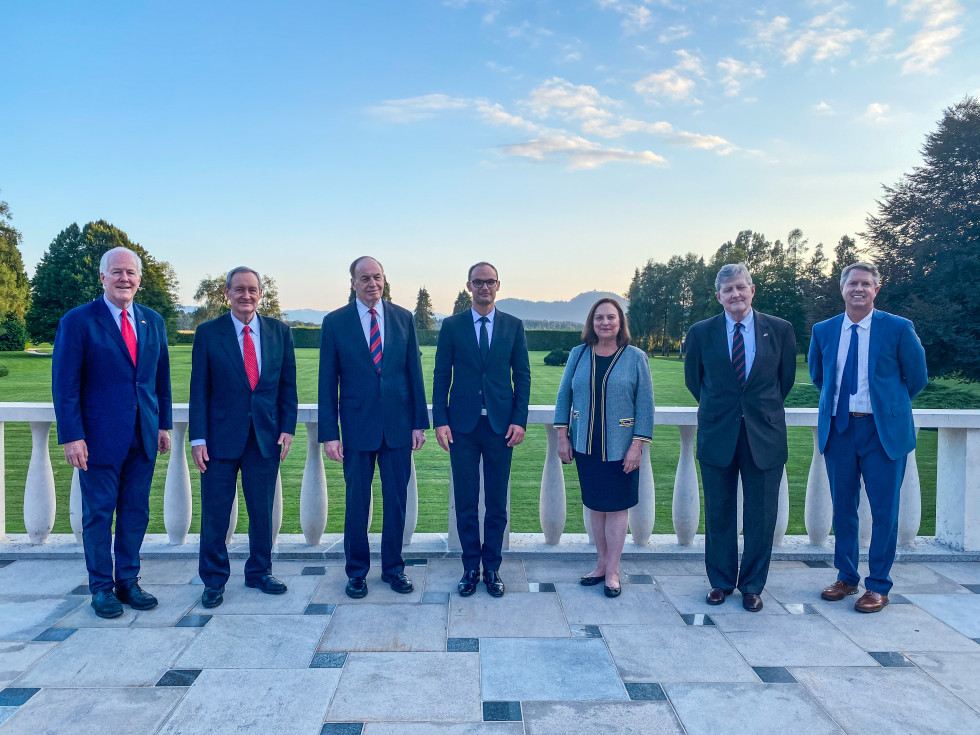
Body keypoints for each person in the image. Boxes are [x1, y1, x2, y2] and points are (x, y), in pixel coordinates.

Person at [52, 246, 172, 618]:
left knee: (136, 513)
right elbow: (65, 384)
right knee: (99, 515)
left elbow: (159, 380)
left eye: (131, 273)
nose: (124, 278)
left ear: (139, 279)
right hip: (98, 439)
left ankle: (128, 583)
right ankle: (101, 588)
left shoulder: (152, 321)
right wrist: (72, 436)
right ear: (102, 277)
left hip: (143, 435)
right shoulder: (78, 321)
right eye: (117, 272)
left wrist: (163, 424)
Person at [809, 262, 927, 613]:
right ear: (841, 289)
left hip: (883, 433)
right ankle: (846, 577)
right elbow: (819, 377)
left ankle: (878, 585)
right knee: (843, 508)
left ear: (876, 289)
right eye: (852, 283)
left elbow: (916, 377)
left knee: (884, 511)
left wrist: (886, 407)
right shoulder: (824, 330)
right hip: (840, 429)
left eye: (866, 283)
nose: (858, 289)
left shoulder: (898, 328)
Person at [684, 263, 796, 612]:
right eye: (728, 290)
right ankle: (720, 582)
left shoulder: (779, 330)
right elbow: (694, 382)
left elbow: (785, 381)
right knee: (719, 513)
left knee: (761, 516)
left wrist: (756, 411)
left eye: (740, 287)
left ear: (752, 290)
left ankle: (752, 585)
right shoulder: (701, 332)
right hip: (718, 433)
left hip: (764, 435)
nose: (735, 294)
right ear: (718, 297)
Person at [318, 256, 429, 598]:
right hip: (356, 427)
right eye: (364, 278)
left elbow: (414, 372)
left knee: (395, 502)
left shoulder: (402, 318)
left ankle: (394, 569)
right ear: (352, 282)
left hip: (397, 427)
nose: (372, 283)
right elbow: (326, 382)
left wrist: (419, 424)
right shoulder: (335, 322)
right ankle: (356, 573)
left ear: (384, 279)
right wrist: (329, 434)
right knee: (356, 503)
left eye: (377, 277)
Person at [189, 266, 297, 608]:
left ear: (260, 293)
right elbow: (199, 390)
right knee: (216, 514)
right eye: (239, 289)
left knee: (261, 512)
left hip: (265, 437)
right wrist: (198, 438)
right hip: (219, 440)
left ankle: (259, 572)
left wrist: (287, 427)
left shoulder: (280, 332)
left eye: (252, 289)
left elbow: (287, 387)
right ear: (227, 293)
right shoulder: (208, 333)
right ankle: (214, 580)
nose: (246, 295)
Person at [433, 262, 531, 598]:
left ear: (498, 285)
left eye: (490, 282)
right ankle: (469, 567)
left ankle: (492, 568)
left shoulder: (513, 326)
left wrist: (519, 419)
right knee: (465, 502)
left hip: (501, 428)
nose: (484, 287)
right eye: (478, 282)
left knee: (496, 502)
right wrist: (440, 420)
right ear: (468, 286)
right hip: (461, 427)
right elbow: (441, 375)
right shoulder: (453, 326)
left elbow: (523, 375)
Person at [554, 298, 654, 598]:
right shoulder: (578, 354)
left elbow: (645, 405)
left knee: (617, 508)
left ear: (620, 322)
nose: (605, 322)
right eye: (599, 318)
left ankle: (613, 570)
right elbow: (563, 396)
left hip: (621, 447)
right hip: (585, 445)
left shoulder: (636, 357)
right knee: (595, 507)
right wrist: (562, 435)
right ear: (591, 323)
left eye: (611, 317)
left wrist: (637, 445)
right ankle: (600, 564)